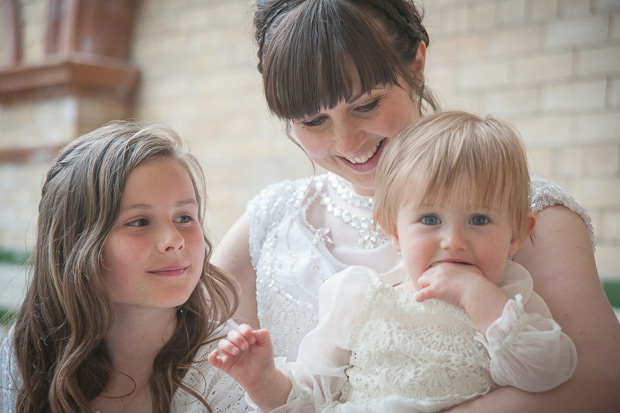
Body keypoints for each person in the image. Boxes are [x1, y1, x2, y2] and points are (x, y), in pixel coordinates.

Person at [212, 0, 620, 411]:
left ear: (415, 66)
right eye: (313, 121)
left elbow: (599, 383)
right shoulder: (270, 220)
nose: (350, 143)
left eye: (367, 104)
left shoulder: (530, 213)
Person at [209, 111, 578, 412]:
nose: (454, 241)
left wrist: (478, 297)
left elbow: (549, 372)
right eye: (430, 220)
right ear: (393, 232)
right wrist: (264, 382)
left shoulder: (510, 298)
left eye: (479, 220)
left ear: (517, 233)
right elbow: (311, 394)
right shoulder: (360, 297)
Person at [0, 121, 251, 412]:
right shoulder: (26, 353)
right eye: (139, 222)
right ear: (76, 244)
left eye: (184, 217)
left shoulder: (229, 368)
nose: (174, 241)